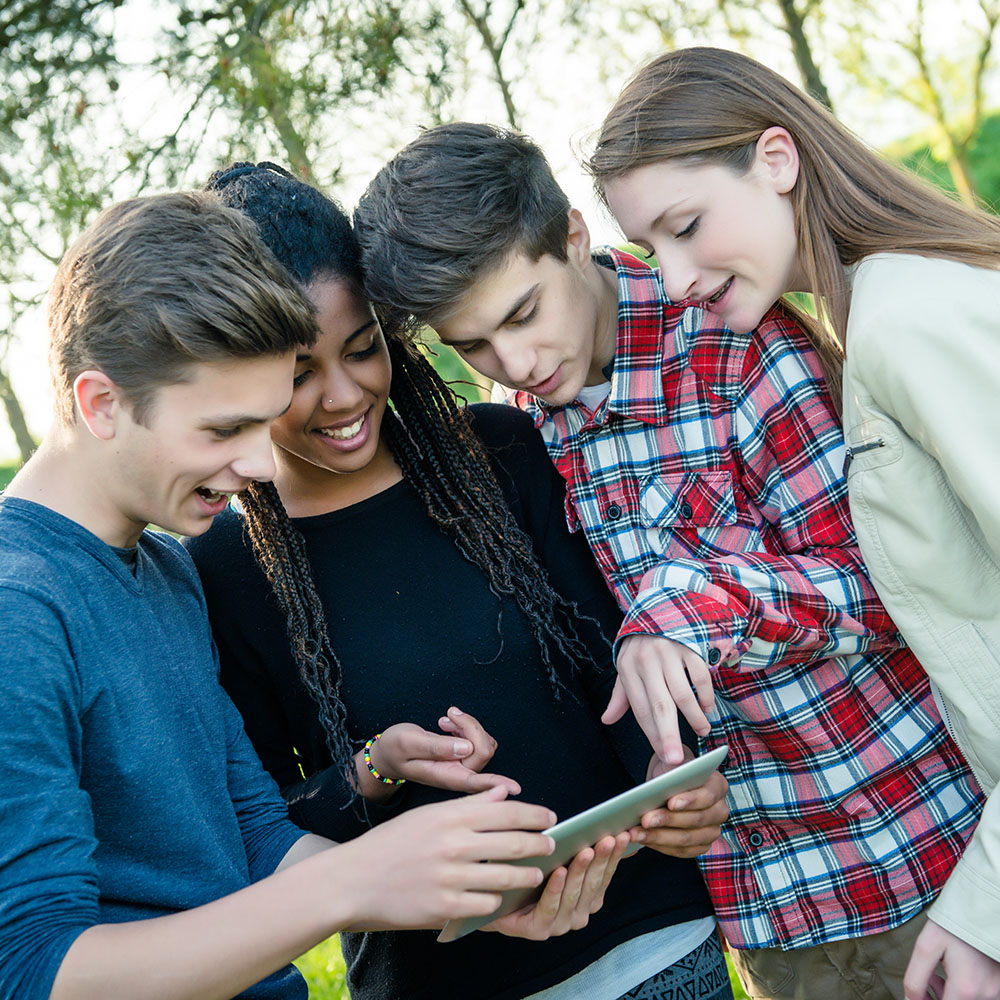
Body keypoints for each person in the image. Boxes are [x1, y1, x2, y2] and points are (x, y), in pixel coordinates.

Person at [352, 120, 987, 1000]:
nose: (515, 362)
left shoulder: (737, 340)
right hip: (769, 922)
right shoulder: (524, 429)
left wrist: (691, 602)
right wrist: (659, 772)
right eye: (474, 346)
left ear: (573, 235)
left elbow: (884, 589)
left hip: (921, 862)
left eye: (524, 314)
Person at [0, 190, 570, 1000]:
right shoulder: (19, 610)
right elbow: (32, 969)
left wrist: (449, 887)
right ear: (102, 404)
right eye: (224, 429)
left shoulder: (164, 570)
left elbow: (256, 833)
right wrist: (354, 881)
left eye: (263, 423)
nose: (261, 467)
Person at [183, 160, 733, 1000]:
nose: (343, 396)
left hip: (650, 941)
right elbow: (258, 821)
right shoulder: (225, 567)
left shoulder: (498, 452)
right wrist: (375, 768)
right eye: (297, 375)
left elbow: (608, 659)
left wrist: (673, 784)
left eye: (363, 348)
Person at [584, 46, 1000, 1000]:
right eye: (651, 249)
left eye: (687, 226)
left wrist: (987, 905)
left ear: (776, 158)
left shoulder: (906, 318)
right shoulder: (882, 307)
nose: (675, 278)